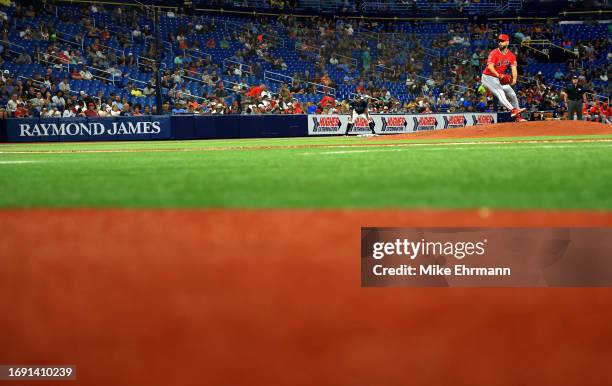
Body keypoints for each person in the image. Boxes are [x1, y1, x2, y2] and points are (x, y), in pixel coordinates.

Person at [480, 34, 526, 122]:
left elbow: (514, 68)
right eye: (499, 41)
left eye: (502, 41)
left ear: (507, 42)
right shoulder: (494, 53)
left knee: (512, 95)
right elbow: (490, 67)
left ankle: (517, 117)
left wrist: (514, 79)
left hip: (499, 78)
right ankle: (513, 110)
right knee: (500, 93)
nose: (500, 43)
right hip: (488, 77)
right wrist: (498, 75)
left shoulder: (511, 55)